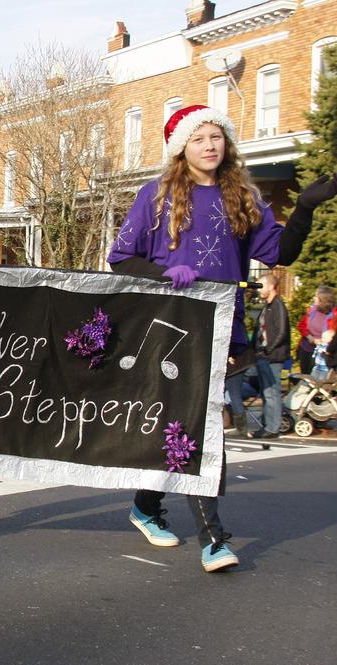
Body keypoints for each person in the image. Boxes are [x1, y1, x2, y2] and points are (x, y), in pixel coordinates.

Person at [107, 104, 337, 572]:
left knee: (195, 424)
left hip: (222, 328)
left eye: (216, 136)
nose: (210, 145)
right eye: (199, 138)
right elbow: (121, 257)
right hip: (169, 326)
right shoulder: (157, 195)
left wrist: (307, 206)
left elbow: (282, 252)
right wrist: (166, 270)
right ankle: (212, 538)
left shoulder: (242, 197)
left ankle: (146, 507)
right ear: (181, 148)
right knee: (200, 426)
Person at [249, 273, 289, 444]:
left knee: (272, 392)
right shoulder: (267, 306)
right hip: (263, 355)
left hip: (273, 357)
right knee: (266, 393)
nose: (259, 290)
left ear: (271, 286)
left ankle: (273, 428)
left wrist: (268, 349)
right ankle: (266, 426)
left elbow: (282, 331)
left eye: (261, 286)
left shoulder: (278, 305)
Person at [296, 285, 335, 376]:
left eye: (316, 296)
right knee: (306, 376)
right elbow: (302, 325)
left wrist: (322, 341)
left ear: (323, 299)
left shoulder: (333, 315)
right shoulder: (312, 310)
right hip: (307, 348)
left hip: (324, 352)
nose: (313, 298)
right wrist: (310, 337)